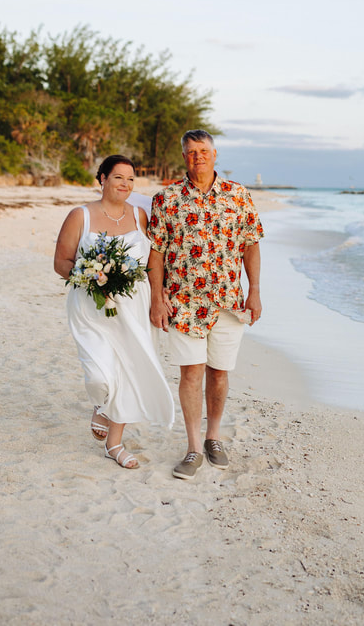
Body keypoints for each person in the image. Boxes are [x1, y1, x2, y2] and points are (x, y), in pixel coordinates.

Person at [148, 130, 263, 480]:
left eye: (203, 151)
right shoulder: (167, 199)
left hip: (229, 301)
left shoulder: (237, 195)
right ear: (184, 157)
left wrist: (254, 290)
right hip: (182, 302)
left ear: (215, 154)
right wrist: (156, 299)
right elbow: (156, 252)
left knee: (219, 372)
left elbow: (251, 244)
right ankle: (194, 447)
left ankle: (214, 437)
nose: (198, 156)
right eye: (191, 152)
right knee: (191, 373)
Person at [54, 155, 175, 469]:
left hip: (135, 304)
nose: (126, 184)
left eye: (131, 179)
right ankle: (101, 403)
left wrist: (159, 299)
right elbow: (61, 261)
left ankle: (115, 444)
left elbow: (153, 262)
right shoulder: (80, 215)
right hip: (91, 305)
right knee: (100, 375)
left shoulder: (140, 216)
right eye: (119, 177)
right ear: (103, 179)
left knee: (128, 370)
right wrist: (90, 274)